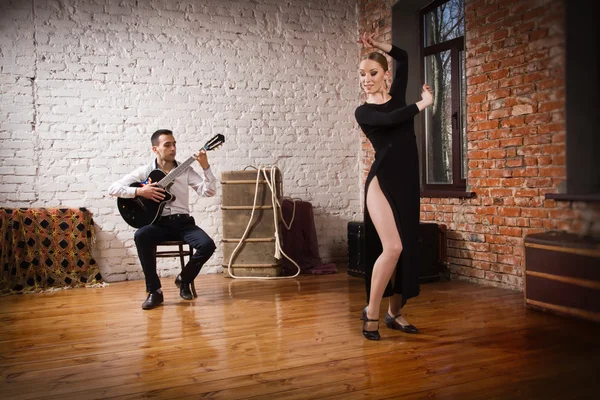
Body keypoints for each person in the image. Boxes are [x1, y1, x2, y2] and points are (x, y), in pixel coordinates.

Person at [354, 32, 434, 340]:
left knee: (407, 250)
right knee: (393, 247)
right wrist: (424, 103)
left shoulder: (397, 95)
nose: (366, 79)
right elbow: (394, 120)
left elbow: (403, 57)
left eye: (372, 73)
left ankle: (394, 313)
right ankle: (371, 313)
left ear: (385, 75)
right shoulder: (364, 111)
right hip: (381, 180)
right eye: (362, 74)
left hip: (407, 181)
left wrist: (379, 46)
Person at [108, 129, 217, 310]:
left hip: (183, 223)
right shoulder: (146, 171)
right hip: (159, 224)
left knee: (208, 245)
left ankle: (184, 279)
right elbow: (113, 188)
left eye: (174, 144)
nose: (173, 148)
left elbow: (209, 192)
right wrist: (140, 191)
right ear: (155, 149)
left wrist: (205, 167)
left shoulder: (185, 170)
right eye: (167, 145)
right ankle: (155, 291)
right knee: (141, 236)